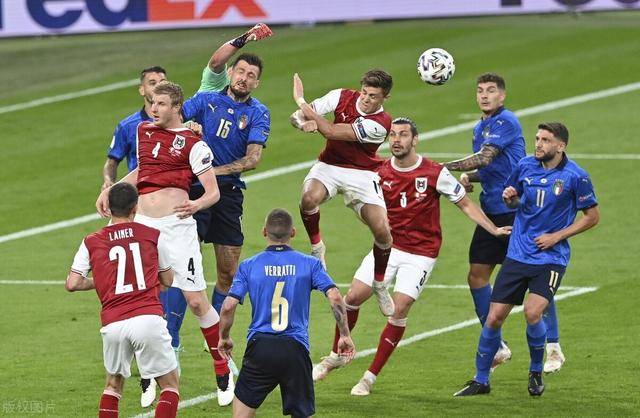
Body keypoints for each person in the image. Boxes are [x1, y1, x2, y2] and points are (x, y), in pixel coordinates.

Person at [312, 118, 511, 394]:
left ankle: (369, 378)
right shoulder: (379, 171)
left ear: (415, 140)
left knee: (399, 308)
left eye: (403, 135)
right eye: (393, 135)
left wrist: (494, 229)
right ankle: (337, 354)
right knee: (353, 297)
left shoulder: (434, 172)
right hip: (388, 248)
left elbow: (465, 205)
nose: (397, 140)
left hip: (420, 254)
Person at [96, 81, 236, 407]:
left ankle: (220, 364)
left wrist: (196, 205)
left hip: (177, 228)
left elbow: (212, 192)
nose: (154, 108)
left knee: (196, 302)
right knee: (146, 299)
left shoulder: (194, 144)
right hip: (145, 227)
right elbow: (141, 171)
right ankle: (149, 373)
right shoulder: (143, 131)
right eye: (152, 103)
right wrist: (112, 190)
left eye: (160, 104)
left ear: (176, 107)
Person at [454, 122, 599, 397]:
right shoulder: (524, 166)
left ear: (561, 146)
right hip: (518, 254)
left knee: (533, 312)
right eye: (537, 138)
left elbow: (592, 217)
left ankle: (535, 372)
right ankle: (481, 380)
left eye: (546, 140)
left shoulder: (575, 176)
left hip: (550, 258)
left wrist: (556, 236)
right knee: (494, 318)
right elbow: (515, 201)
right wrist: (511, 199)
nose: (539, 144)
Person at [99, 65, 187, 407]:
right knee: (155, 273)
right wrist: (111, 185)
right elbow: (114, 161)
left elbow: (73, 282)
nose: (157, 88)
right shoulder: (131, 126)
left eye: (162, 83)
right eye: (152, 83)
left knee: (113, 383)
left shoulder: (177, 124)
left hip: (165, 208)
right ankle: (156, 345)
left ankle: (168, 336)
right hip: (135, 208)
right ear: (142, 90)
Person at [217, 208, 356, 417]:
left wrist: (224, 337)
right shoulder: (310, 264)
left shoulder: (249, 266)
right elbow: (335, 297)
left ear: (265, 232)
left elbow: (228, 306)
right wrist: (344, 334)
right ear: (293, 232)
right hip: (295, 349)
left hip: (260, 347)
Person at [182, 23, 273, 320]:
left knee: (229, 271)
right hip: (194, 188)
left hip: (228, 192)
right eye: (241, 71)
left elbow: (253, 158)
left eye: (251, 76)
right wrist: (186, 127)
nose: (244, 78)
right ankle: (172, 336)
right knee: (184, 262)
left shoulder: (258, 112)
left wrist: (214, 171)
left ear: (257, 83)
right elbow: (172, 120)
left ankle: (218, 339)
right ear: (231, 72)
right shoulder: (207, 97)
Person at [66, 183, 180, 418]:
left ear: (108, 207)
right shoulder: (152, 235)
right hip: (147, 318)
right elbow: (168, 280)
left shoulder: (91, 241)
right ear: (135, 207)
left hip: (113, 324)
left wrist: (103, 280)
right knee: (170, 386)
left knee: (113, 385)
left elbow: (73, 283)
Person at [443, 72, 532, 371]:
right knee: (477, 276)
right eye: (480, 90)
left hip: (514, 211)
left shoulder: (506, 121)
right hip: (490, 212)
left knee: (531, 278)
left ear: (502, 95)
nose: (484, 95)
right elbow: (492, 168)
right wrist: (469, 176)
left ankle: (552, 345)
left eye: (491, 90)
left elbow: (485, 157)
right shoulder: (480, 127)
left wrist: (439, 168)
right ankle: (497, 345)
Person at [291, 70, 396, 317]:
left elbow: (331, 131)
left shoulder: (381, 123)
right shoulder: (341, 96)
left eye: (373, 96)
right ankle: (317, 248)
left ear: (385, 98)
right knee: (308, 198)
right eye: (364, 92)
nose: (366, 99)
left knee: (383, 231)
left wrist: (301, 101)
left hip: (363, 173)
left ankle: (380, 283)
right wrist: (303, 123)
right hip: (330, 165)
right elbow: (296, 118)